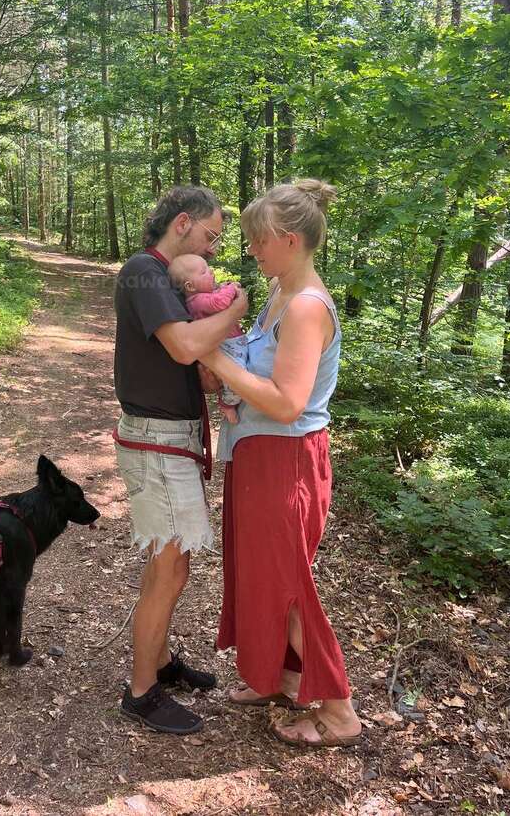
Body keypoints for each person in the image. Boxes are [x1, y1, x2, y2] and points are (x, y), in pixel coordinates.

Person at [200, 179, 362, 749]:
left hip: (287, 462)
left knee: (290, 585)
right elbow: (258, 375)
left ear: (289, 240)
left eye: (257, 240)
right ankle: (285, 680)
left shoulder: (308, 308)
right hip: (257, 454)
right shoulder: (278, 295)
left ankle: (339, 711)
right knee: (264, 576)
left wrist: (211, 356)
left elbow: (288, 401)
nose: (251, 249)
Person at [113, 186, 248, 735]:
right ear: (184, 222)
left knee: (172, 562)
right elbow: (184, 346)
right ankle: (141, 693)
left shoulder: (162, 276)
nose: (215, 249)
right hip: (156, 440)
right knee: (170, 565)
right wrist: (236, 309)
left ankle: (161, 663)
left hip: (172, 438)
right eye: (212, 235)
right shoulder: (145, 272)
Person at [167, 254, 246, 423]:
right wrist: (232, 287)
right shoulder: (197, 301)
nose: (211, 272)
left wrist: (223, 288)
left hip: (234, 343)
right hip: (227, 346)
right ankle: (227, 404)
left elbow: (218, 297)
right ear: (190, 286)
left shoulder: (204, 296)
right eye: (204, 272)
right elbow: (221, 302)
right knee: (238, 382)